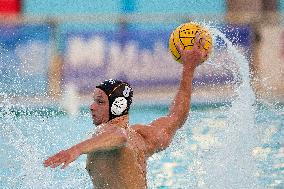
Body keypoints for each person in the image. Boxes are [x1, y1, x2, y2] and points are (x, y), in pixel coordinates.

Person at [44, 33, 210, 188]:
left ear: (118, 107)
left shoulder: (107, 131)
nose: (92, 106)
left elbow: (119, 136)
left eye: (100, 102)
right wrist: (189, 68)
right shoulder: (145, 137)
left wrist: (75, 150)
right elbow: (176, 117)